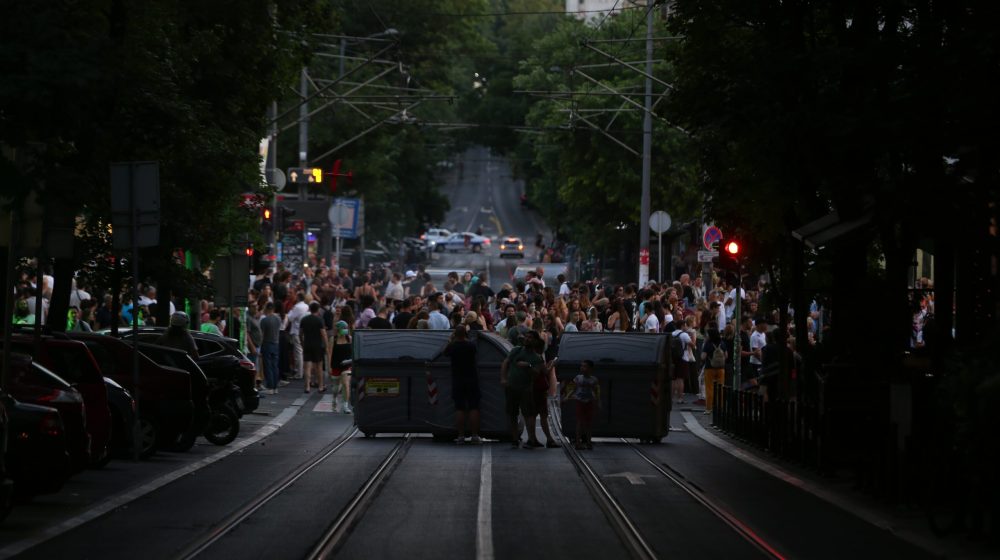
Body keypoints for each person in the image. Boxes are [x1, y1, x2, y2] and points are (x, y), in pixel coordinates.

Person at [501, 330, 545, 448]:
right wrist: (504, 378)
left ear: (535, 341)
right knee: (512, 413)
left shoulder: (537, 358)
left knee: (528, 414)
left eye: (530, 338)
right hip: (512, 386)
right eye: (526, 337)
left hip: (526, 388)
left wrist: (528, 366)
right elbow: (506, 363)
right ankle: (515, 439)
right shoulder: (516, 350)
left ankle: (531, 439)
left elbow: (536, 374)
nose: (527, 339)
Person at [443, 325, 481, 444]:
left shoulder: (453, 346)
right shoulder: (471, 345)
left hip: (458, 379)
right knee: (474, 407)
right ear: (465, 334)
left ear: (455, 334)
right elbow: (475, 350)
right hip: (472, 378)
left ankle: (461, 436)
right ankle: (474, 436)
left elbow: (444, 352)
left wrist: (450, 341)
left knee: (459, 408)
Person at [563, 359, 600, 450]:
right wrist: (567, 396)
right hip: (580, 402)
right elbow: (572, 388)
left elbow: (596, 391)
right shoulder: (578, 378)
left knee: (588, 423)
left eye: (584, 366)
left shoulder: (594, 380)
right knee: (580, 422)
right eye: (581, 366)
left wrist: (598, 402)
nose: (582, 368)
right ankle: (578, 442)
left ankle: (588, 442)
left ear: (590, 368)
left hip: (589, 402)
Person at [300, 302, 327, 393]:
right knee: (319, 366)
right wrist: (326, 346)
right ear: (318, 309)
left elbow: (301, 333)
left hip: (307, 344)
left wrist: (302, 343)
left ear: (310, 309)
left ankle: (307, 387)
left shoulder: (304, 320)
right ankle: (320, 386)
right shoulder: (319, 320)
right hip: (317, 346)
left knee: (307, 366)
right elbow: (323, 334)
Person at [700, 325, 726, 415]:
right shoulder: (722, 343)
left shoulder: (708, 344)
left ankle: (709, 408)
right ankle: (720, 408)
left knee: (709, 388)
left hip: (709, 368)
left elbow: (703, 357)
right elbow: (726, 355)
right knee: (721, 388)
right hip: (721, 368)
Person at [328, 320, 353, 413]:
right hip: (335, 364)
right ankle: (334, 398)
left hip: (347, 365)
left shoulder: (349, 338)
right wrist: (329, 366)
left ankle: (345, 405)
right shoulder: (333, 339)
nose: (345, 330)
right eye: (343, 328)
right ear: (338, 330)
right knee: (336, 388)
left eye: (346, 328)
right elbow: (329, 353)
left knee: (346, 384)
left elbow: (353, 351)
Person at [259, 303, 282, 394]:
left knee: (268, 366)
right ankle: (275, 387)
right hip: (276, 343)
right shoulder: (278, 319)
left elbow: (262, 334)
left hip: (267, 343)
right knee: (275, 365)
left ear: (267, 309)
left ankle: (270, 386)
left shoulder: (264, 320)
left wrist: (260, 346)